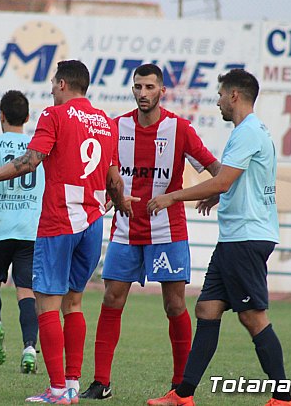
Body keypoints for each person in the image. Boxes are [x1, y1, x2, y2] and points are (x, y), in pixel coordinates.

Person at [0, 59, 138, 405]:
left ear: (64, 84)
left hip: (59, 221)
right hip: (92, 224)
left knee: (46, 305)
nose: (51, 89)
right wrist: (120, 202)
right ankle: (73, 384)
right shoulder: (108, 124)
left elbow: (30, 161)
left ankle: (56, 391)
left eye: (53, 83)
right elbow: (114, 179)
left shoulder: (55, 116)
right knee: (74, 304)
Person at [146, 69, 291, 406]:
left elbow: (223, 180)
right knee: (208, 308)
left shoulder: (247, 132)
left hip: (245, 237)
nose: (217, 101)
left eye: (220, 95)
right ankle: (183, 395)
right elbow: (236, 180)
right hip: (235, 238)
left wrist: (173, 196)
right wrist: (218, 195)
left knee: (252, 316)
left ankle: (283, 398)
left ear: (234, 96)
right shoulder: (251, 131)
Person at [80, 64, 221, 400]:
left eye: (149, 87)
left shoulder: (179, 128)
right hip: (125, 231)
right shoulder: (116, 128)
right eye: (138, 87)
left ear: (162, 92)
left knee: (174, 306)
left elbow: (217, 170)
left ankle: (179, 386)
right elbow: (102, 173)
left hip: (167, 233)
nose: (142, 93)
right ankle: (101, 382)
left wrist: (214, 193)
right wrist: (113, 196)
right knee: (111, 299)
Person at [0, 90, 45, 373]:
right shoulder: (37, 146)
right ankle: (29, 347)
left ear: (1, 115)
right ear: (27, 117)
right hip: (30, 229)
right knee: (26, 291)